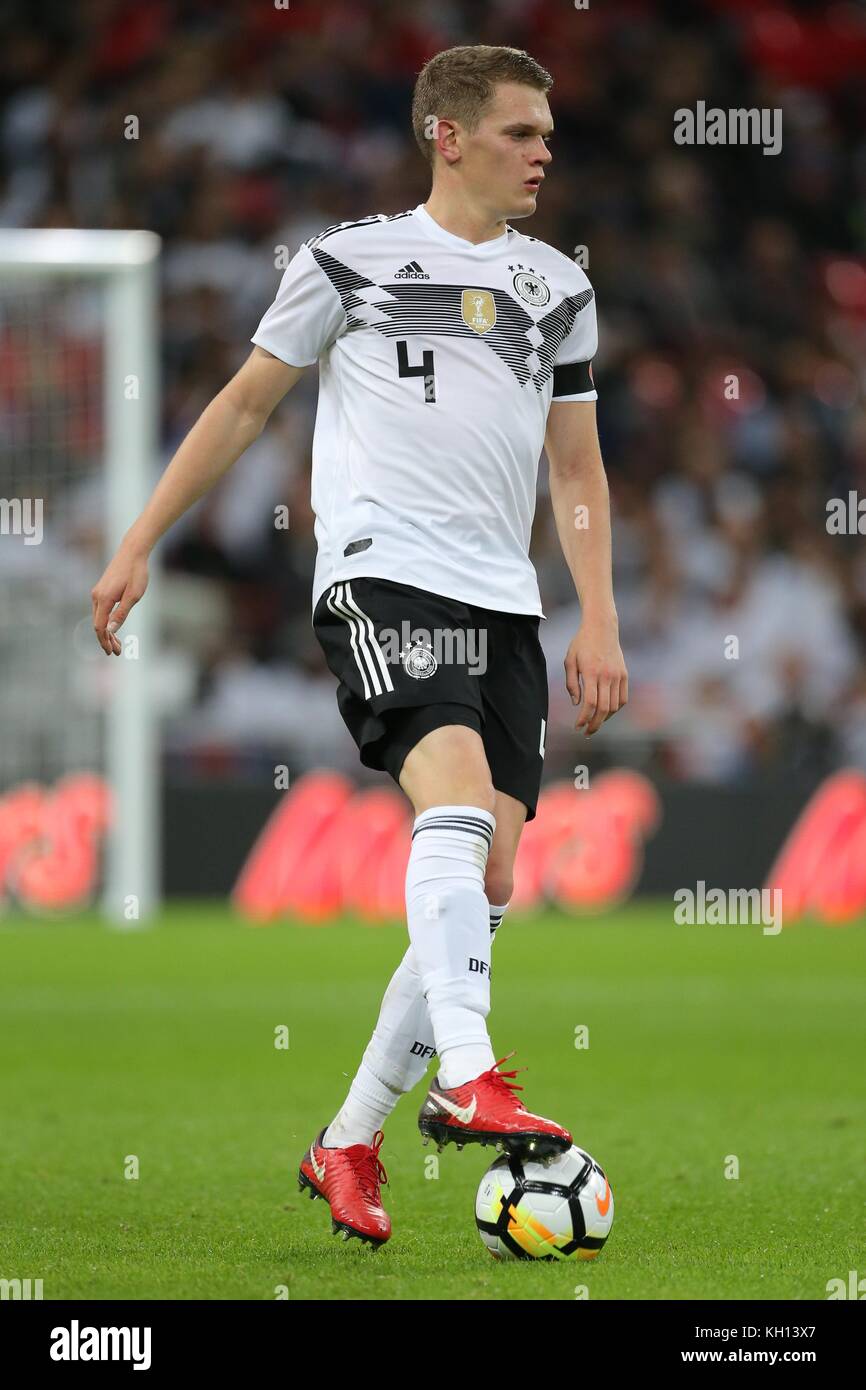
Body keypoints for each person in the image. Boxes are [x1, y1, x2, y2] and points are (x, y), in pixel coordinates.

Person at [91, 44, 628, 1249]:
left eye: (547, 131)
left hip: (503, 605)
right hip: (383, 575)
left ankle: (346, 1141)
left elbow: (577, 467)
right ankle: (470, 1075)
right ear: (446, 135)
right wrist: (139, 542)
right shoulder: (345, 261)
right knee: (444, 802)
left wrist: (597, 612)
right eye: (519, 130)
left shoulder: (559, 289)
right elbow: (242, 403)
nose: (543, 149)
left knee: (485, 882)